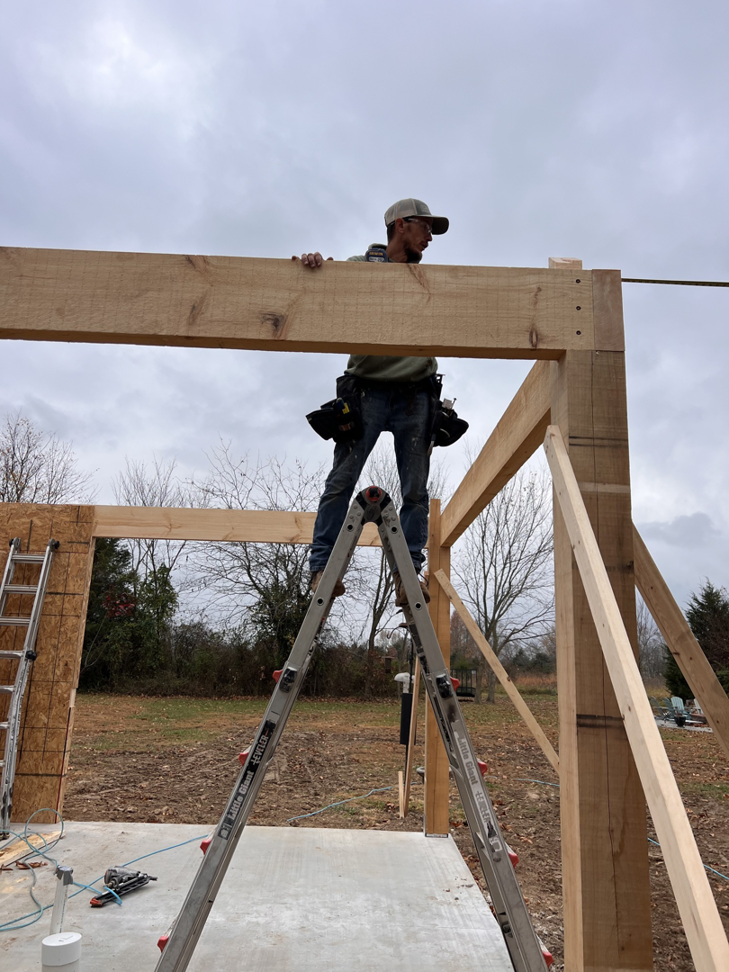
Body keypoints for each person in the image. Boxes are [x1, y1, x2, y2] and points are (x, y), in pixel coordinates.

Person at [293, 198, 449, 605]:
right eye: (425, 227)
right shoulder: (360, 268)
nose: (430, 237)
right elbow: (317, 288)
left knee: (415, 492)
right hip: (366, 391)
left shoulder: (429, 280)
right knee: (341, 481)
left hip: (416, 393)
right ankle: (322, 570)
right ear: (401, 225)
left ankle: (407, 577)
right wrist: (312, 268)